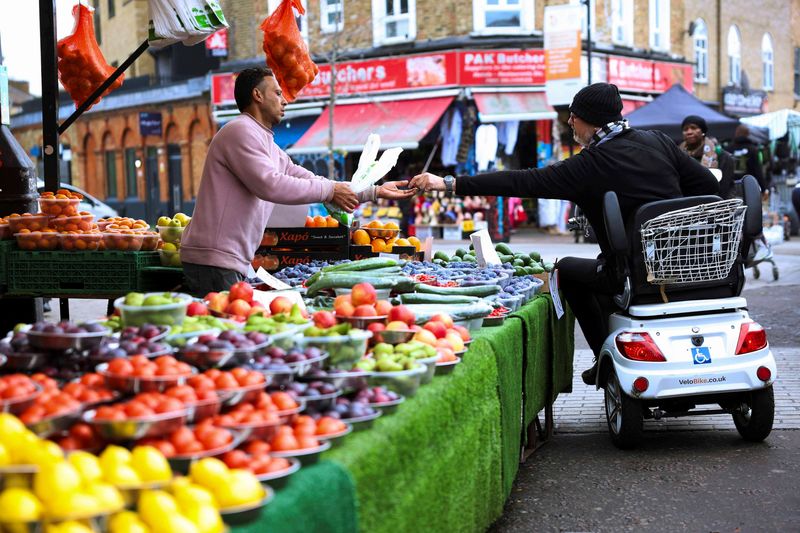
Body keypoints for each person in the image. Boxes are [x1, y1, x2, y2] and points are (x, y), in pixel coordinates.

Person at [408, 83, 719, 386]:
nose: (569, 121)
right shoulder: (658, 141)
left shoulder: (590, 165)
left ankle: (602, 360)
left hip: (632, 273)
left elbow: (523, 182)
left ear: (588, 119)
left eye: (573, 115)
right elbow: (707, 185)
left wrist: (448, 183)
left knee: (567, 270)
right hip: (686, 263)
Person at [181, 67, 413, 296]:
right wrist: (329, 191)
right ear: (257, 95)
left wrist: (373, 191)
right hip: (214, 260)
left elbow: (305, 178)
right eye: (278, 93)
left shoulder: (266, 143)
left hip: (229, 261)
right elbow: (271, 185)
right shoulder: (240, 131)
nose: (285, 101)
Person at [679, 115, 736, 199]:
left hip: (716, 204)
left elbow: (725, 189)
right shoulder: (678, 155)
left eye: (693, 128)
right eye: (685, 129)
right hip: (687, 205)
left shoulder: (721, 156)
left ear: (703, 131)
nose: (689, 132)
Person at [729, 124, 768, 194]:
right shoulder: (753, 149)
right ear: (748, 134)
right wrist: (763, 188)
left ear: (736, 133)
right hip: (749, 186)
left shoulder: (728, 149)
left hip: (732, 187)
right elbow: (758, 170)